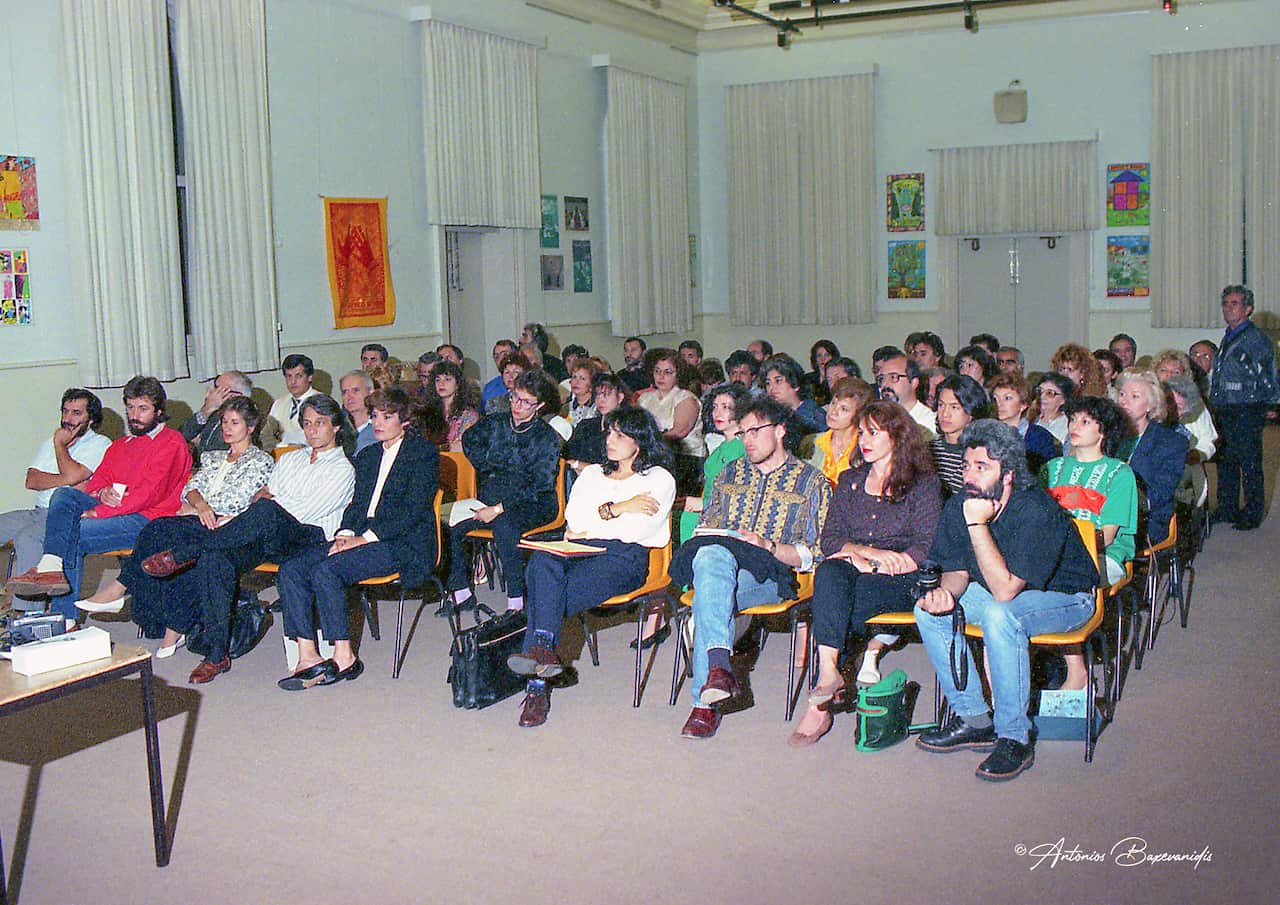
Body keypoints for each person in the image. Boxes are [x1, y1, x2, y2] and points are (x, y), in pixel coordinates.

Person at [913, 419, 1098, 781]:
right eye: (966, 465)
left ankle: (1014, 736)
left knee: (1001, 616)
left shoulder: (1036, 510)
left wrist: (977, 525)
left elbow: (1005, 591)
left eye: (982, 467)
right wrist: (944, 595)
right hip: (1008, 597)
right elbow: (957, 571)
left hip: (1067, 598)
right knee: (929, 612)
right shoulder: (962, 504)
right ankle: (975, 720)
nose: (970, 476)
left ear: (1009, 474)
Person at [140, 394, 355, 683]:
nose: (312, 430)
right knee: (216, 557)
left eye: (320, 423)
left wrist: (265, 507)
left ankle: (184, 552)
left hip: (308, 538)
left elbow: (301, 510)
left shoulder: (342, 468)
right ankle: (217, 654)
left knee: (265, 511)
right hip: (270, 534)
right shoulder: (291, 458)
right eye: (306, 424)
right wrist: (262, 508)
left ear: (336, 427)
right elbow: (264, 494)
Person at [670, 396, 830, 740]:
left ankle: (705, 700)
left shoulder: (811, 482)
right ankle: (717, 672)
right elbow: (707, 526)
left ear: (781, 430)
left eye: (755, 431)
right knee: (711, 560)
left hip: (773, 573)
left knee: (710, 596)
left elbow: (816, 553)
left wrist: (768, 546)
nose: (747, 440)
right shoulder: (729, 474)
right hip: (721, 565)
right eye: (743, 432)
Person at [507, 407, 677, 727]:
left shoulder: (659, 479)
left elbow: (638, 531)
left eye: (620, 435)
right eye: (609, 432)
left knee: (544, 593)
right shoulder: (592, 474)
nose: (609, 440)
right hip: (579, 549)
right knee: (541, 560)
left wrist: (600, 517)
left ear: (639, 441)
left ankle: (537, 684)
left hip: (623, 559)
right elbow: (574, 521)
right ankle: (543, 653)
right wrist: (621, 508)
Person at [790, 401, 942, 746]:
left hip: (902, 579)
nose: (864, 440)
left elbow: (926, 547)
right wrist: (867, 555)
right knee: (830, 572)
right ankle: (829, 673)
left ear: (898, 437)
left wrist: (876, 563)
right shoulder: (850, 480)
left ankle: (820, 704)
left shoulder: (923, 484)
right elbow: (830, 540)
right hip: (855, 567)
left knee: (840, 604)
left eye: (874, 433)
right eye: (861, 433)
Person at [275, 387, 440, 690]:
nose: (377, 423)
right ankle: (307, 655)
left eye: (386, 417)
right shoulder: (368, 455)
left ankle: (344, 656)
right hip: (362, 535)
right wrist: (345, 534)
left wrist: (365, 538)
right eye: (374, 416)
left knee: (328, 570)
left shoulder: (423, 454)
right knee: (292, 568)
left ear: (404, 420)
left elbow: (413, 510)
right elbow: (356, 505)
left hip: (403, 542)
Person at [76, 398, 273, 648]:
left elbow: (234, 501)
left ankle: (122, 590)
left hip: (229, 527)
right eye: (224, 421)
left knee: (163, 531)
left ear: (251, 427)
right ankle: (165, 621)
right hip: (201, 519)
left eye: (235, 423)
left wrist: (197, 505)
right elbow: (189, 489)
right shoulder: (214, 457)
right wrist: (200, 506)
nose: (227, 428)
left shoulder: (260, 461)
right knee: (158, 530)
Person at [7, 377, 192, 620]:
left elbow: (149, 494)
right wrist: (101, 493)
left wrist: (99, 512)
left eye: (143, 409)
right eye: (130, 407)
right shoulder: (120, 445)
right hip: (116, 511)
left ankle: (65, 618)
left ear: (159, 411)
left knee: (73, 533)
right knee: (64, 494)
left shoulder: (172, 442)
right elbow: (94, 484)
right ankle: (51, 565)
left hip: (149, 521)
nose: (134, 415)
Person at [447, 369, 562, 615]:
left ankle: (516, 602)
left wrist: (498, 509)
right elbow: (469, 439)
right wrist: (487, 468)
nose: (517, 405)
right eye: (515, 397)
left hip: (535, 501)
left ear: (540, 405)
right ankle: (461, 594)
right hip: (496, 494)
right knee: (451, 524)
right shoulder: (497, 422)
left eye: (526, 402)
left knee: (504, 526)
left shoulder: (546, 436)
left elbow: (539, 484)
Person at [1, 389, 111, 611]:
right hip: (37, 510)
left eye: (76, 413)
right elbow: (32, 480)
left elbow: (75, 478)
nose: (68, 418)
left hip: (63, 516)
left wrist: (60, 446)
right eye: (65, 411)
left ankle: (30, 615)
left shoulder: (100, 444)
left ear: (90, 419)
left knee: (28, 538)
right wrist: (67, 479)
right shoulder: (49, 442)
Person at [1210, 286, 1278, 530]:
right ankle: (1227, 507)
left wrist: (1272, 402)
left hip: (1247, 407)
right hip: (1225, 406)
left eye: (1235, 303)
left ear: (1248, 308)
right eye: (1226, 303)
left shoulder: (1256, 339)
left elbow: (1268, 372)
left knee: (1249, 462)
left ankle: (1252, 512)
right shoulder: (1229, 336)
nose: (1229, 308)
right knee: (1226, 460)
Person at [1115, 368, 1189, 545]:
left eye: (1135, 396)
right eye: (1122, 394)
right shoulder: (1106, 435)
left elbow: (1161, 493)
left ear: (1151, 405)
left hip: (1145, 520)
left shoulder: (1172, 442)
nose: (1124, 401)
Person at [637, 349, 705, 495]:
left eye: (667, 372)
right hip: (652, 456)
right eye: (657, 371)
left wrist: (650, 443)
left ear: (678, 374)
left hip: (685, 458)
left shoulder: (685, 398)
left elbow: (680, 431)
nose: (661, 376)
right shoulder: (644, 399)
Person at [988, 372, 1059, 474]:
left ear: (1023, 404)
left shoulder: (1041, 437)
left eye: (1007, 398)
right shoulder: (986, 433)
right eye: (995, 399)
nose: (999, 404)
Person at [931, 375, 991, 497]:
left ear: (971, 412)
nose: (945, 414)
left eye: (954, 407)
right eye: (941, 405)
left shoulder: (980, 455)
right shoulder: (927, 450)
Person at [1165, 374, 1217, 507]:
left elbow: (1209, 441)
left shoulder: (1194, 410)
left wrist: (1197, 454)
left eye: (1179, 408)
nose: (1173, 410)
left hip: (1185, 474)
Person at [813, 377, 872, 487]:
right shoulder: (810, 442)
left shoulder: (866, 447)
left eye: (844, 409)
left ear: (858, 415)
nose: (833, 412)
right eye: (833, 403)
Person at [179, 370, 252, 456]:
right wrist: (207, 410)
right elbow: (181, 436)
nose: (212, 393)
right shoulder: (214, 413)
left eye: (218, 389)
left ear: (234, 396)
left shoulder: (246, 419)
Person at [873, 348, 935, 439]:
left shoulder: (929, 423)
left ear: (913, 383)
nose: (884, 384)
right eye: (881, 379)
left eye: (893, 377)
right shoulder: (875, 421)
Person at [760, 354, 827, 435]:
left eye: (778, 381)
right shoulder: (768, 416)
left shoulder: (814, 415)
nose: (771, 388)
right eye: (768, 383)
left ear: (795, 384)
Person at [267, 354, 319, 447]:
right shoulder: (278, 403)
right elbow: (268, 435)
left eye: (298, 376)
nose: (293, 381)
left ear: (310, 377)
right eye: (289, 376)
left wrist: (283, 436)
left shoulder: (321, 401)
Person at [431, 360, 480, 452]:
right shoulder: (428, 412)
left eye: (447, 379)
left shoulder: (468, 415)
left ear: (457, 384)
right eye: (437, 380)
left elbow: (463, 447)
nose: (441, 384)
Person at [1029, 372, 1075, 445]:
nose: (1042, 397)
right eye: (1040, 391)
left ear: (1063, 399)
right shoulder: (1029, 417)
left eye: (1049, 393)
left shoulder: (1068, 425)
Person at [339, 370, 377, 456]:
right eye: (344, 392)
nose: (349, 397)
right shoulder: (336, 427)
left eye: (355, 390)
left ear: (371, 392)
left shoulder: (381, 426)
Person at [484, 351, 529, 416]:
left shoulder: (531, 401)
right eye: (507, 372)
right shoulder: (494, 403)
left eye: (516, 372)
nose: (511, 376)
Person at [481, 340, 519, 406]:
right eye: (497, 357)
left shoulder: (529, 384)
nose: (501, 359)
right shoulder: (490, 388)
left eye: (505, 355)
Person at [565, 359, 599, 426]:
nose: (576, 382)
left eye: (582, 378)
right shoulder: (565, 408)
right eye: (574, 377)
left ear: (591, 383)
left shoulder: (598, 408)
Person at [806, 340, 840, 405]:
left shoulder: (838, 378)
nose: (823, 359)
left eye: (827, 355)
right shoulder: (807, 378)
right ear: (815, 359)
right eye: (819, 355)